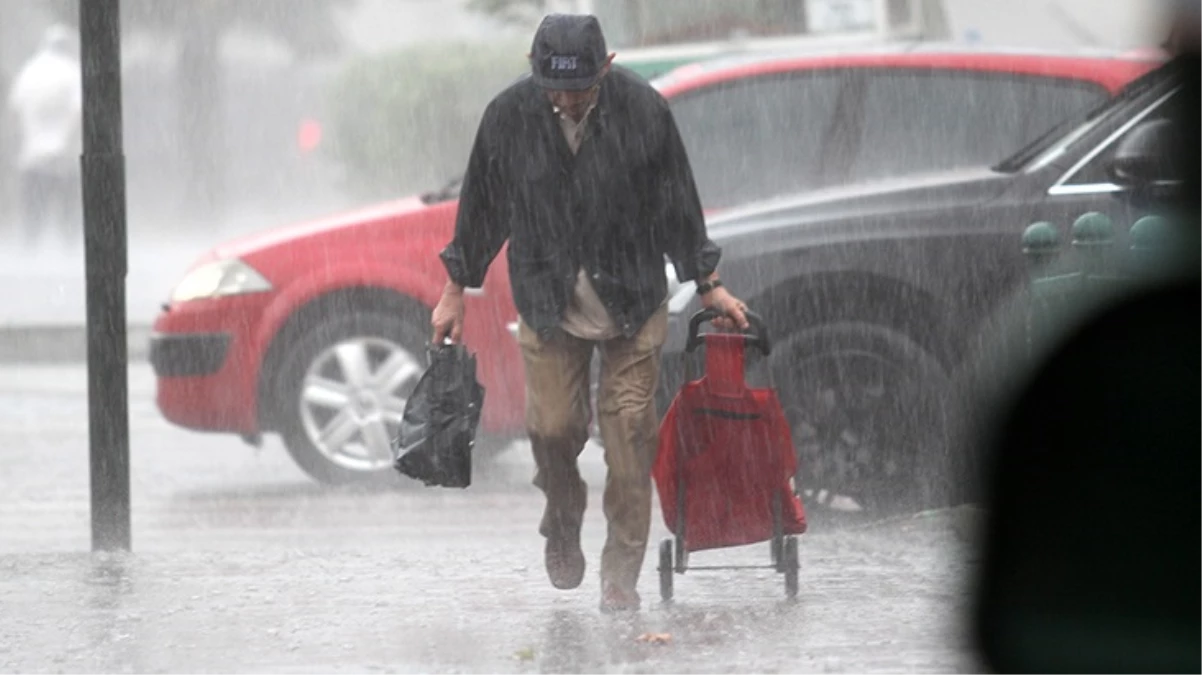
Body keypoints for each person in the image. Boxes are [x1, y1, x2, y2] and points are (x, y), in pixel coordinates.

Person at [432, 13, 749, 612]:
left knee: (630, 435)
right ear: (536, 73)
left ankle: (620, 576)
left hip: (631, 297)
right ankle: (563, 518)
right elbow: (481, 207)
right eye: (555, 89)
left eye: (580, 89)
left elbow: (679, 202)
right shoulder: (509, 117)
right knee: (553, 430)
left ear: (605, 68)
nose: (568, 101)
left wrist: (708, 283)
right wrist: (456, 288)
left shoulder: (644, 112)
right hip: (548, 300)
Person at [5, 24, 82, 248]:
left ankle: (30, 249)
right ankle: (70, 250)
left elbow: (14, 110)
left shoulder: (29, 71)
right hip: (64, 154)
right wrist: (70, 139)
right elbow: (78, 110)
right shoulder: (72, 70)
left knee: (33, 210)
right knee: (68, 211)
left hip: (32, 154)